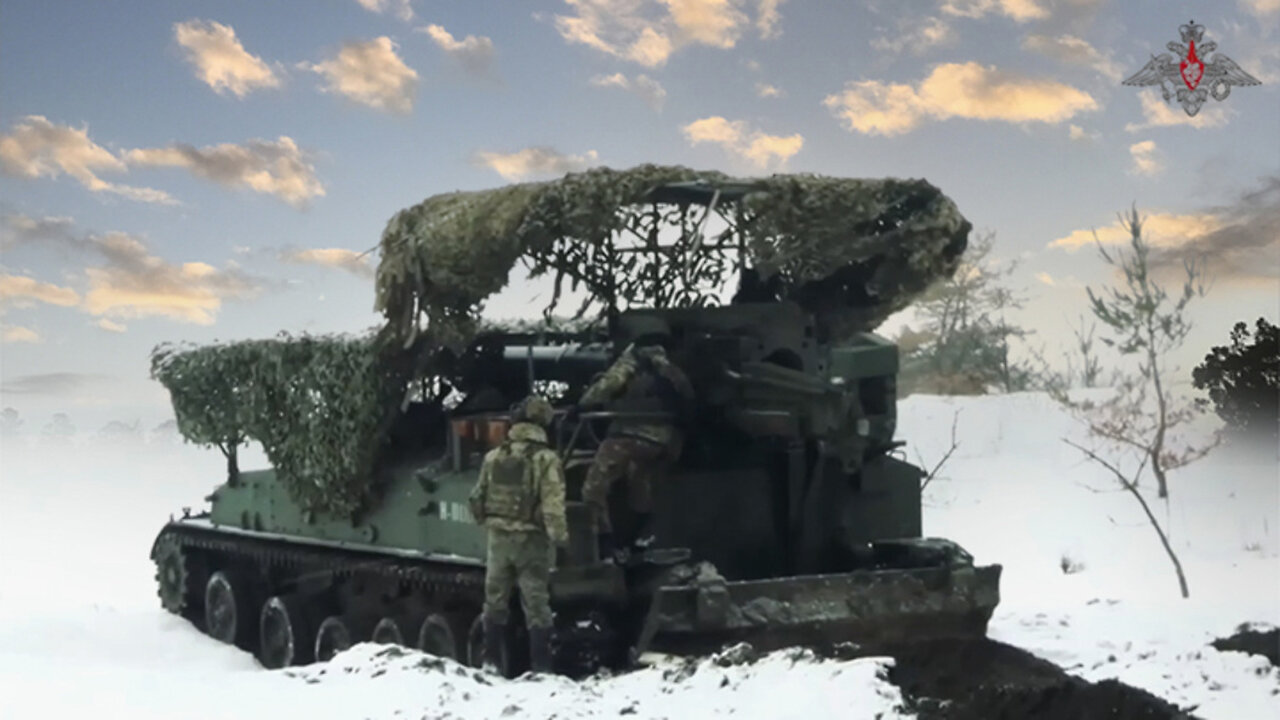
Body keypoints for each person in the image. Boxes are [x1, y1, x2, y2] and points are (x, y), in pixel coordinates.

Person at [575, 318, 695, 561]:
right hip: (665, 442)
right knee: (639, 481)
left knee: (593, 487)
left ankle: (606, 544)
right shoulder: (671, 366)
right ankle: (639, 539)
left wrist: (580, 405)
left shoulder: (634, 359)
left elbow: (608, 386)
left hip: (631, 434)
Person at [467, 394, 567, 674]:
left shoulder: (494, 456)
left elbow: (476, 498)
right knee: (536, 605)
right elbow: (553, 506)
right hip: (531, 541)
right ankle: (541, 668)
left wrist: (489, 521)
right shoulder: (546, 459)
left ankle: (490, 661)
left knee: (495, 601)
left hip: (498, 540)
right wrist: (560, 540)